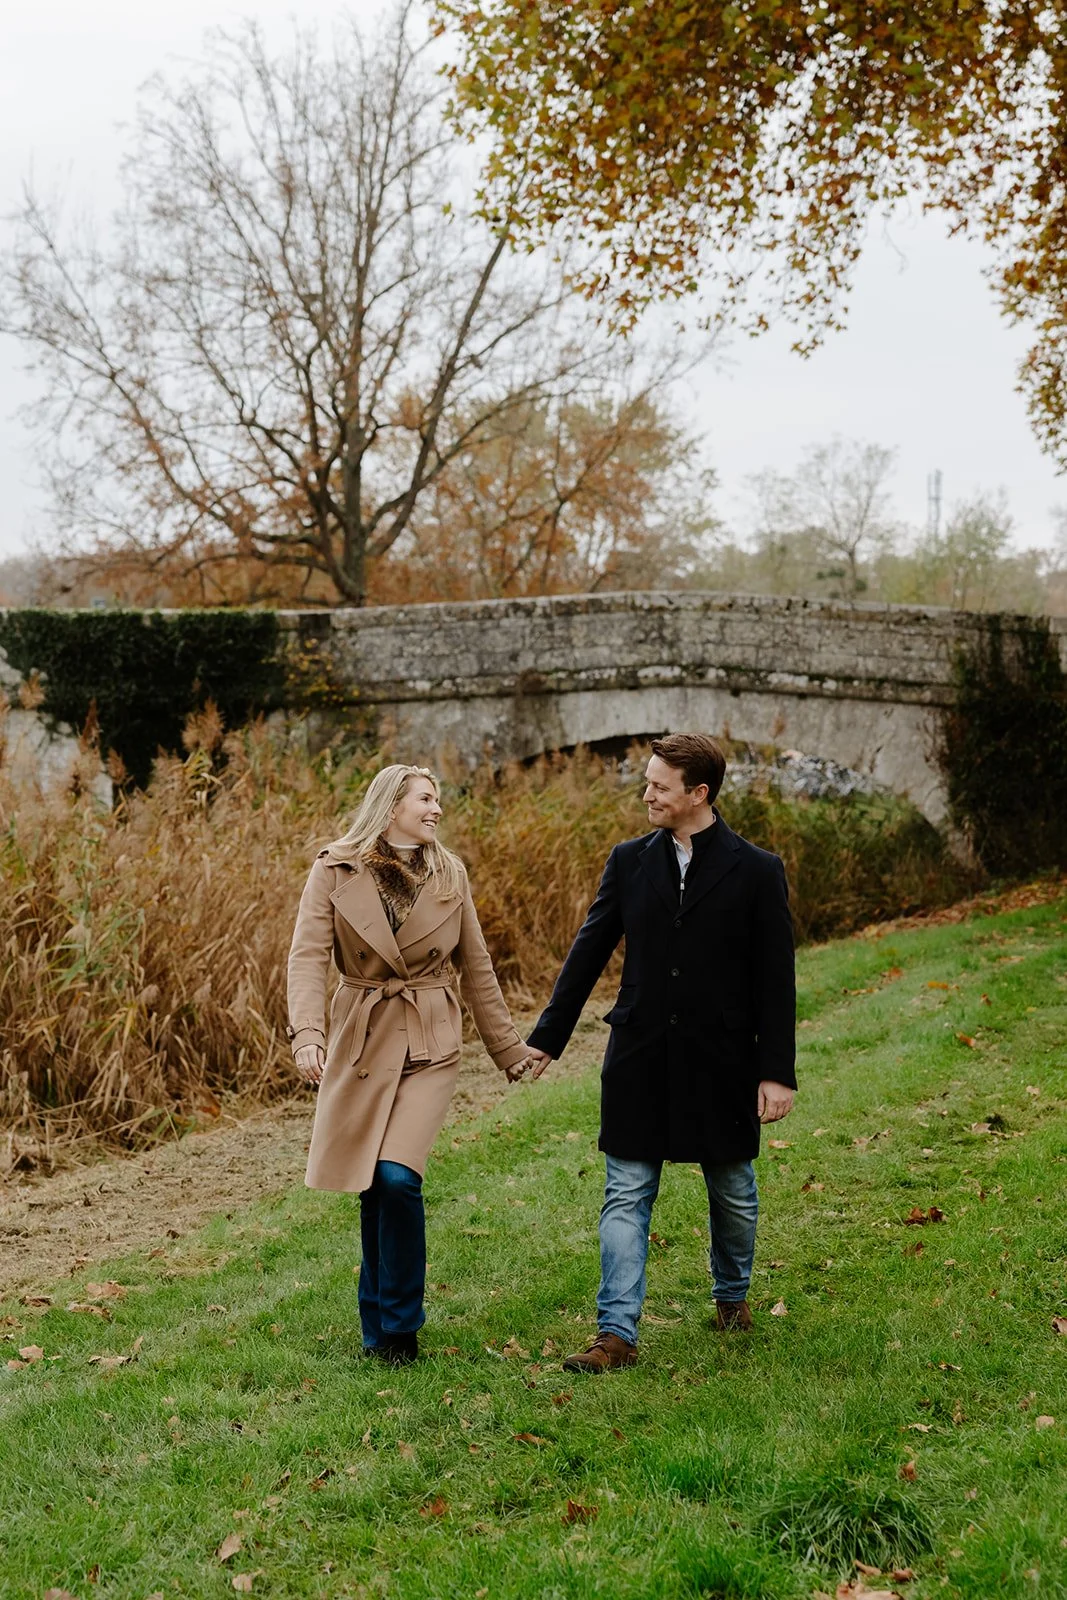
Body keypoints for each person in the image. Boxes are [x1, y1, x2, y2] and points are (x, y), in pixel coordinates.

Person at [524, 732, 797, 1372]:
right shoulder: (628, 862)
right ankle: (615, 1335)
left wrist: (775, 1072)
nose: (646, 794)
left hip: (722, 1058)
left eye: (658, 786)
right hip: (639, 1052)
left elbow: (775, 979)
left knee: (733, 1191)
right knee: (626, 1191)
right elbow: (589, 951)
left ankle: (731, 1294)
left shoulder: (758, 870)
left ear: (699, 793)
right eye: (646, 782)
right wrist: (547, 1038)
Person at [287, 763, 534, 1364]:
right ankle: (377, 1328)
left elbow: (476, 966)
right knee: (373, 1183)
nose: (436, 808)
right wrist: (308, 1034)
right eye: (426, 798)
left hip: (429, 1040)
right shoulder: (334, 868)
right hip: (363, 1036)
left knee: (397, 1178)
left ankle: (399, 1327)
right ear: (391, 804)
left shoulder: (451, 873)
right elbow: (307, 956)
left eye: (437, 799)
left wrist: (507, 1049)